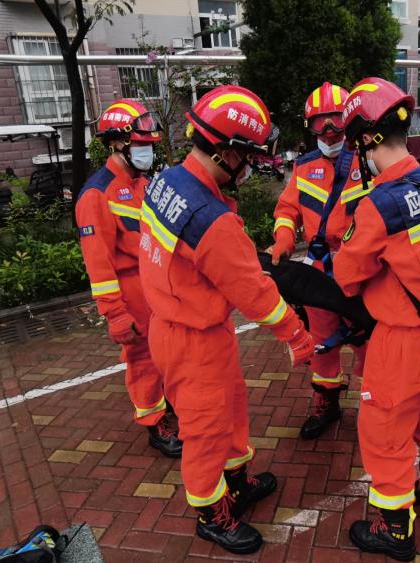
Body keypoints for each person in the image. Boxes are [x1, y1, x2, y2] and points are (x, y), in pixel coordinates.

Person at [137, 85, 315, 555]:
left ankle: (236, 481)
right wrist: (295, 333)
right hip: (192, 340)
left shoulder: (169, 180)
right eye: (250, 155)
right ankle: (211, 513)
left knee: (231, 411)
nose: (252, 166)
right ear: (227, 151)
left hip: (186, 329)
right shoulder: (213, 220)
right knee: (203, 432)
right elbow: (256, 295)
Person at [334, 77, 420, 561]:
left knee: (385, 432)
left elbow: (347, 274)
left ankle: (395, 530)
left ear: (366, 140)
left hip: (400, 339)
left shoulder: (378, 204)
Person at [75, 99, 182, 458]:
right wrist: (115, 313)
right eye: (141, 145)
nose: (147, 152)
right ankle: (155, 424)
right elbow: (98, 263)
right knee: (144, 361)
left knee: (166, 354)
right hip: (131, 296)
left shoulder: (142, 183)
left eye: (150, 146)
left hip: (158, 290)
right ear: (116, 143)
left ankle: (167, 406)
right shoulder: (96, 194)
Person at [269, 81, 369, 440]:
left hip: (362, 272)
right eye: (319, 125)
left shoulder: (368, 162)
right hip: (321, 272)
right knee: (322, 343)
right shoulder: (305, 167)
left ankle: (375, 405)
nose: (328, 133)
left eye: (336, 124)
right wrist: (283, 237)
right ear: (309, 127)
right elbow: (287, 208)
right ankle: (326, 402)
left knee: (368, 342)